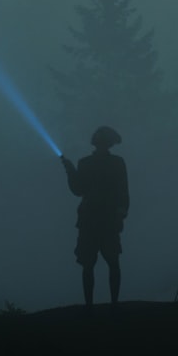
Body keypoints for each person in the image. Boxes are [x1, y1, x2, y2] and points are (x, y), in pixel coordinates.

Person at [61, 125, 129, 310]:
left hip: (96, 218)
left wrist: (70, 170)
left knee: (98, 263)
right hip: (98, 219)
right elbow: (79, 189)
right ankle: (107, 305)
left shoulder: (90, 163)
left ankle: (92, 306)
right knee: (101, 262)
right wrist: (69, 170)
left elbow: (78, 189)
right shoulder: (114, 162)